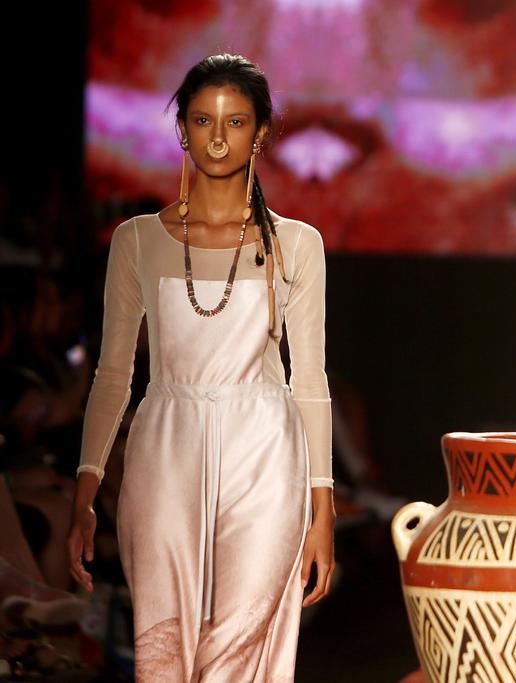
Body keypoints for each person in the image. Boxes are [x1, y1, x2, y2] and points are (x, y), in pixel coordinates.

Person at [65, 54, 337, 682]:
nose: (218, 138)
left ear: (260, 132)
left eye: (235, 121)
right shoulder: (137, 240)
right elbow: (113, 375)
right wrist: (85, 491)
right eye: (202, 120)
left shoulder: (297, 244)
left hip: (266, 452)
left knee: (241, 640)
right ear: (182, 129)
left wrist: (321, 510)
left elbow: (310, 380)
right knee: (165, 644)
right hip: (165, 448)